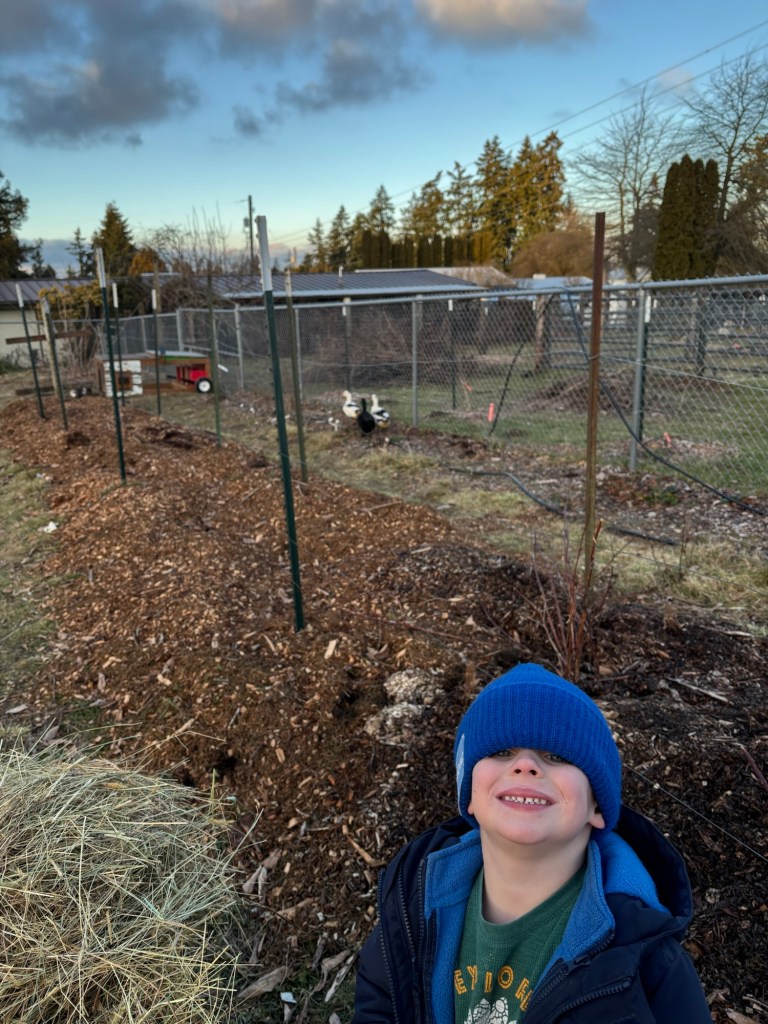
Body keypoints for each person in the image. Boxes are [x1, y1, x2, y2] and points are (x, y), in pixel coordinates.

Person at [352, 662, 712, 1024]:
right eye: (501, 752)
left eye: (556, 755)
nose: (525, 765)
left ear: (597, 806)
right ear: (470, 796)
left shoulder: (648, 966)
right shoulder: (412, 910)